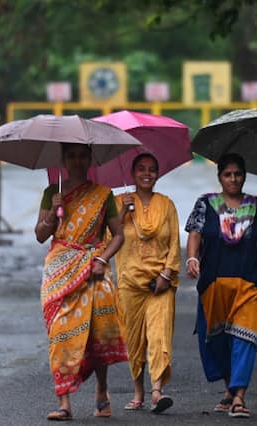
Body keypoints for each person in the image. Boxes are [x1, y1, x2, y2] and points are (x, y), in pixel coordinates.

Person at [35, 143, 128, 421]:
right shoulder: (52, 193)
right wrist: (52, 213)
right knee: (60, 332)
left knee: (98, 333)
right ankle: (64, 402)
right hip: (59, 271)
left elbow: (118, 235)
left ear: (90, 160)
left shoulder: (103, 195)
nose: (77, 161)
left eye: (82, 156)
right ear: (63, 160)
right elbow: (40, 235)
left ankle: (101, 389)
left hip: (93, 268)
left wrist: (102, 259)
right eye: (72, 156)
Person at [184, 153, 257, 419]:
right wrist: (192, 258)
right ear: (220, 177)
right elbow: (195, 234)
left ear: (244, 176)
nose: (233, 179)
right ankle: (229, 387)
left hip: (250, 283)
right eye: (228, 174)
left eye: (238, 174)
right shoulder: (206, 203)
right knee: (218, 340)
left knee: (245, 338)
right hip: (214, 283)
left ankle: (239, 397)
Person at [113, 153, 181, 414]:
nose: (146, 173)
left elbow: (174, 242)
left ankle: (156, 392)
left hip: (160, 283)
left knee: (159, 334)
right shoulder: (119, 202)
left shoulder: (167, 204)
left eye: (152, 169)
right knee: (134, 340)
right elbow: (109, 237)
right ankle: (138, 393)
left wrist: (167, 274)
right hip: (129, 282)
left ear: (157, 174)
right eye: (141, 169)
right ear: (132, 173)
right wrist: (122, 211)